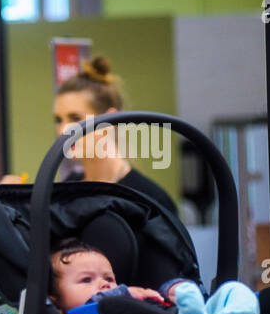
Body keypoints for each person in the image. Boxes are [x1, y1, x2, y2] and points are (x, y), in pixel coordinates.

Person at [53, 56, 178, 214]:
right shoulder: (67, 189)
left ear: (108, 120)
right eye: (58, 120)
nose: (63, 130)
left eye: (75, 118)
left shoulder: (148, 199)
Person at [50, 238, 259, 314]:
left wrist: (170, 289)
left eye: (109, 278)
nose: (104, 284)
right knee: (187, 299)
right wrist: (124, 293)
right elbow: (99, 304)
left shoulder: (129, 296)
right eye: (86, 280)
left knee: (232, 289)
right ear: (56, 302)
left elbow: (158, 298)